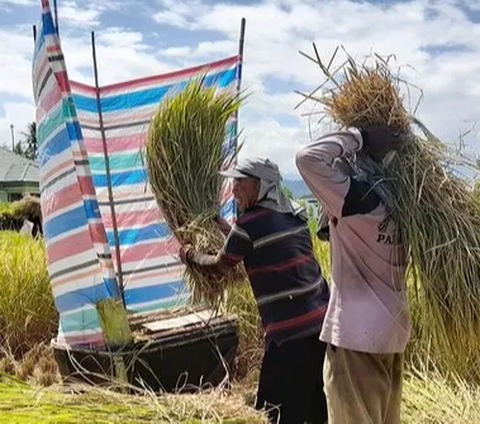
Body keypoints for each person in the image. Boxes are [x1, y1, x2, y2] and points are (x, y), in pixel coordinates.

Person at [179, 158, 330, 424]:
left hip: (288, 335)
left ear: (260, 186)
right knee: (317, 406)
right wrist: (225, 228)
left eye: (241, 181)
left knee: (275, 412)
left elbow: (219, 266)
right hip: (321, 327)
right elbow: (254, 244)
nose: (234, 188)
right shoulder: (294, 214)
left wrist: (190, 255)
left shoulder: (249, 223)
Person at [295, 126, 411, 424]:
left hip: (355, 339)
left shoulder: (356, 201)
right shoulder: (405, 206)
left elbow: (307, 158)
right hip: (392, 334)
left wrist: (357, 135)